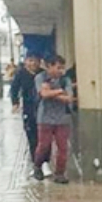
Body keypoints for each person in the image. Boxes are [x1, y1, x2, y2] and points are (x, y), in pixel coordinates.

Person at [33, 55, 75, 184]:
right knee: (44, 145)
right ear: (49, 66)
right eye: (58, 67)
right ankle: (37, 166)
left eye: (62, 68)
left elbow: (68, 98)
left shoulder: (65, 80)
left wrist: (52, 92)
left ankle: (60, 173)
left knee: (63, 147)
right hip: (44, 117)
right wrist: (59, 92)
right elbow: (44, 94)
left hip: (63, 118)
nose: (61, 71)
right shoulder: (40, 78)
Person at [9, 54, 42, 169]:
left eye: (35, 61)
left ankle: (44, 159)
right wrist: (15, 103)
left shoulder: (42, 74)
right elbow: (14, 88)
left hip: (43, 108)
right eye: (30, 60)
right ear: (26, 61)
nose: (33, 63)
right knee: (31, 135)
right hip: (28, 108)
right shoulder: (21, 74)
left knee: (43, 136)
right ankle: (36, 162)